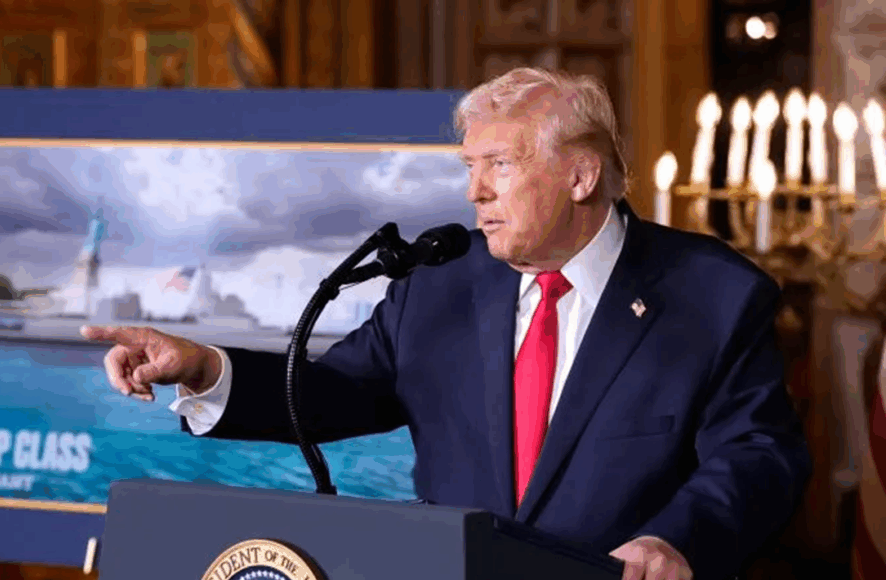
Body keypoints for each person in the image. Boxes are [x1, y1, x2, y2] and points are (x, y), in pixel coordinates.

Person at [81, 68, 810, 580]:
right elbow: (330, 393)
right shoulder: (438, 287)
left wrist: (676, 541)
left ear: (581, 176)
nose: (474, 192)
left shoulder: (714, 294)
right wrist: (205, 369)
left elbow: (758, 456)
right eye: (468, 166)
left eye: (499, 165)